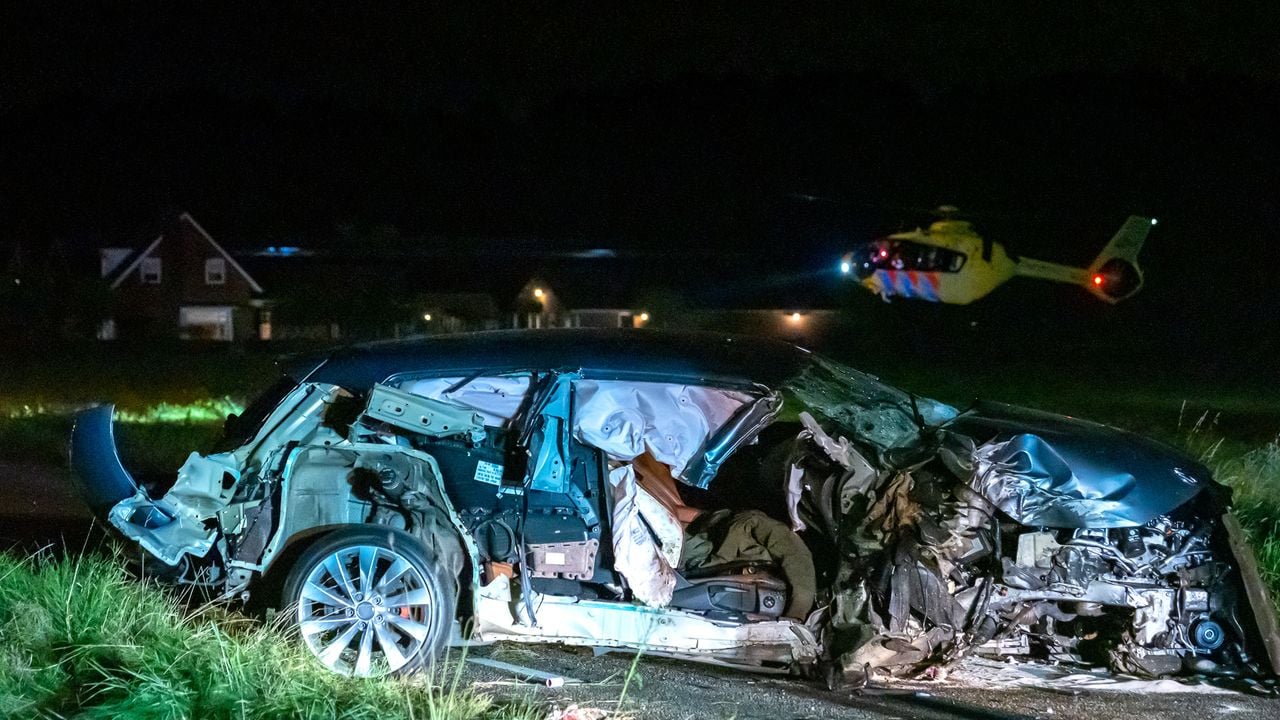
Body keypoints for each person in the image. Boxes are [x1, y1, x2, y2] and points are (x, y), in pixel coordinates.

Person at [631, 450, 816, 620]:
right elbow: (692, 515)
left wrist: (796, 615)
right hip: (689, 545)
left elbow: (798, 559)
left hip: (690, 558)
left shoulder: (760, 529)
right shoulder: (752, 524)